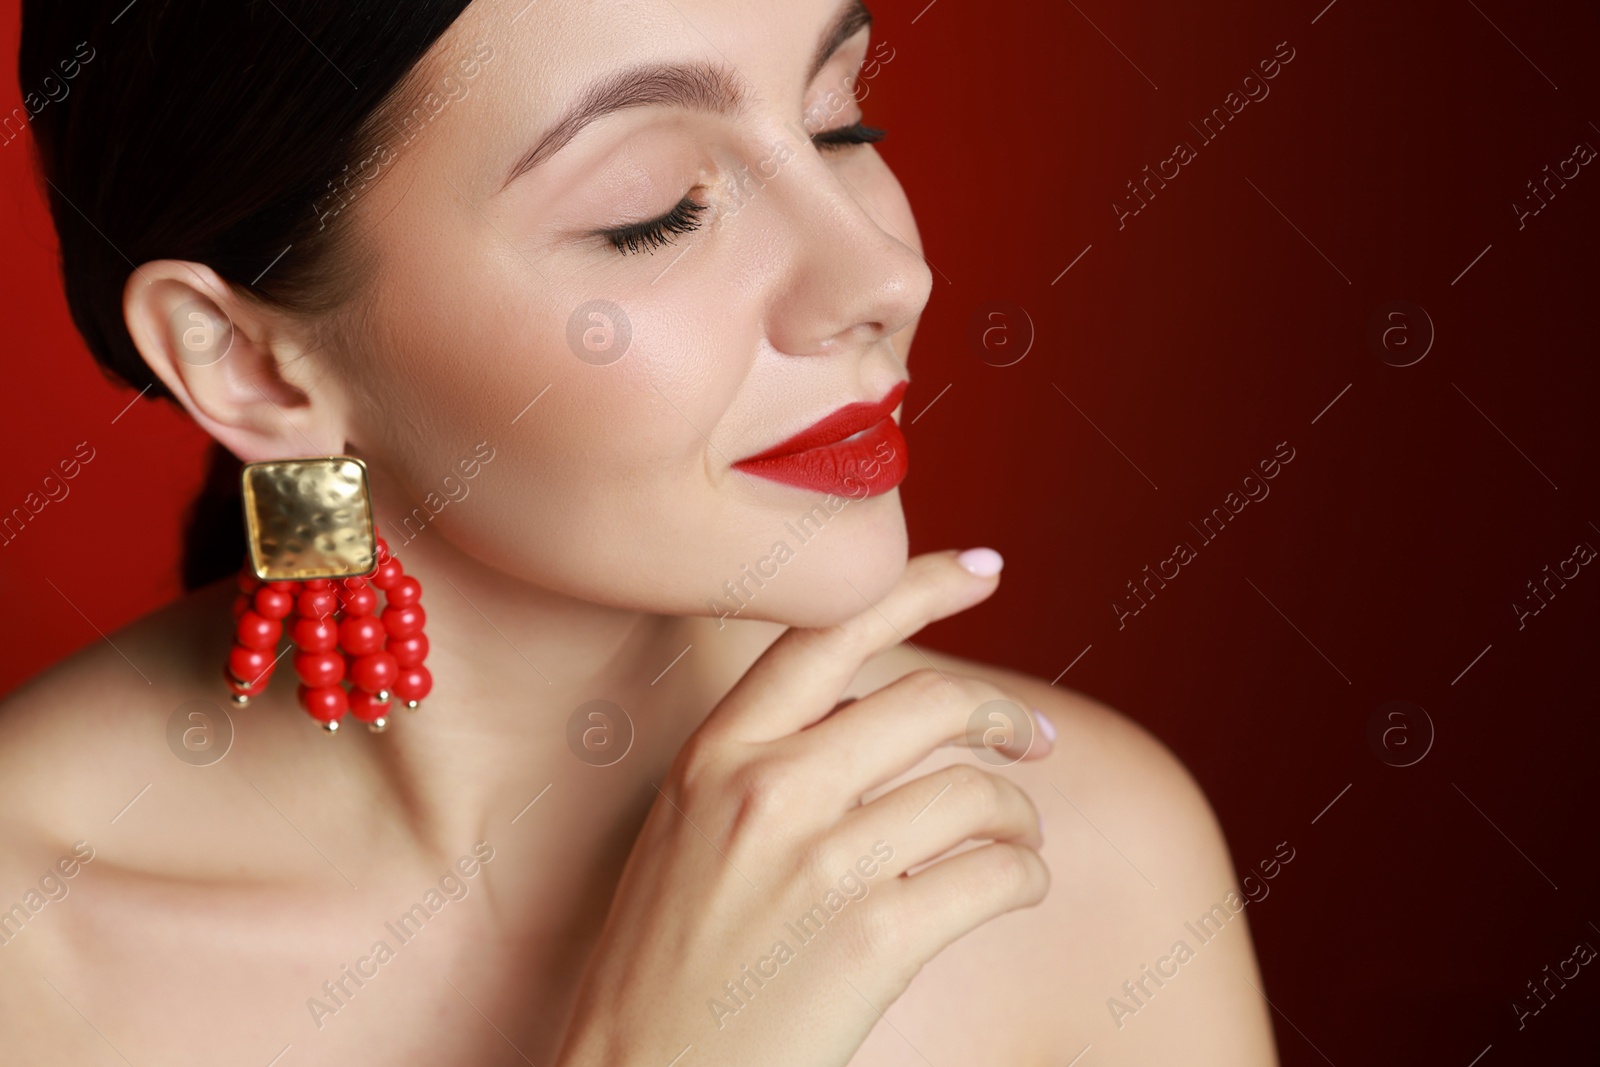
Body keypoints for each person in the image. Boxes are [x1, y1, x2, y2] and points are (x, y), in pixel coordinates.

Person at [1, 0, 1279, 1062]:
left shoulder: (1072, 848)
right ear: (253, 368)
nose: (883, 277)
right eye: (656, 208)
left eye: (840, 123)